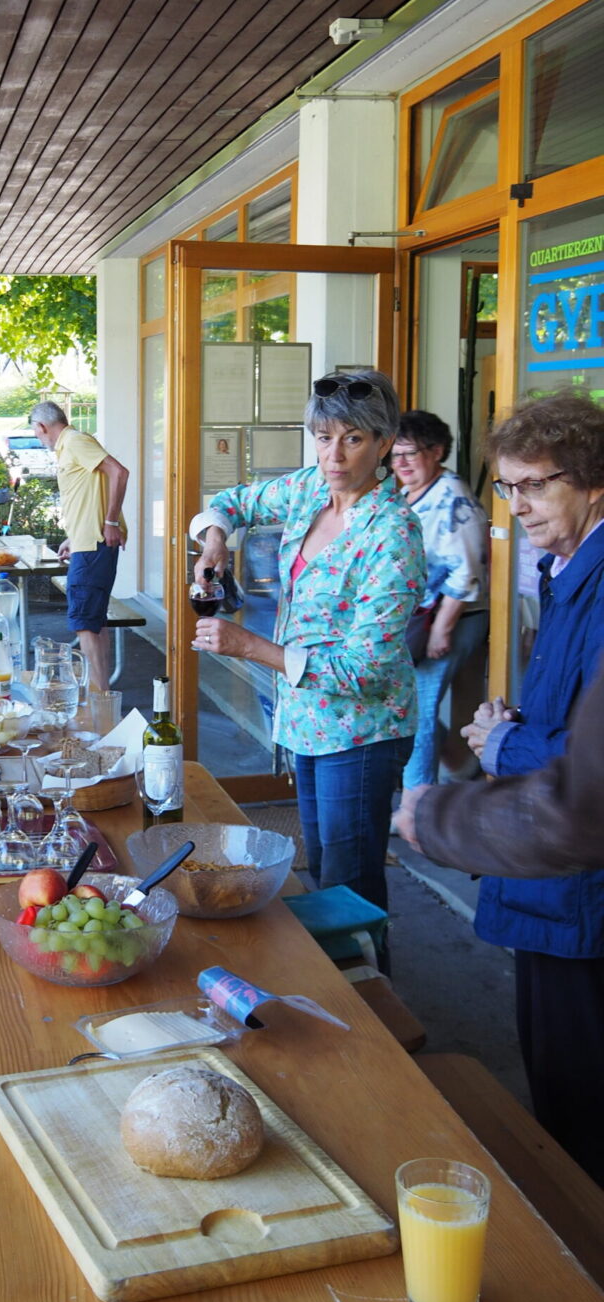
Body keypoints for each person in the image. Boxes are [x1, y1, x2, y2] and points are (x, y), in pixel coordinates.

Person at [433, 391, 604, 1182]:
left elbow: (588, 763)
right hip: (557, 885)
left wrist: (504, 742)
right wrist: (518, 722)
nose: (518, 505)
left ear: (594, 480)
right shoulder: (571, 565)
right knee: (557, 1086)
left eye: (537, 485)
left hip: (582, 891)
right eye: (508, 487)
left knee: (578, 1107)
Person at [190, 370, 424, 915]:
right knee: (322, 868)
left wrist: (249, 647)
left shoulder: (392, 532)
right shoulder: (309, 490)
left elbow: (364, 669)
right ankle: (343, 989)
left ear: (384, 443)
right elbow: (229, 501)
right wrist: (216, 543)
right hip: (306, 718)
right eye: (324, 438)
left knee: (350, 885)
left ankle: (368, 993)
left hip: (361, 728)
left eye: (354, 439)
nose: (334, 456)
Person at [395, 648, 604, 876]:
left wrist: (434, 817)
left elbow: (583, 803)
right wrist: (514, 718)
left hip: (568, 885)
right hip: (535, 878)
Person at [389, 410, 489, 829]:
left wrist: (442, 630)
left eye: (410, 453)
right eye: (394, 455)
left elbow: (465, 572)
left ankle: (416, 809)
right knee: (415, 705)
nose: (402, 463)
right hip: (421, 619)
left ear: (437, 451)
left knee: (419, 709)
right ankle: (462, 767)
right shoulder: (410, 494)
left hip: (452, 618)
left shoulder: (453, 497)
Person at [29, 402, 129, 692]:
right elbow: (89, 493)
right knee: (94, 620)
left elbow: (119, 473)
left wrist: (110, 522)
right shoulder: (71, 445)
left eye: (37, 434)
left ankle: (100, 697)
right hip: (86, 543)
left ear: (42, 427)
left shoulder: (74, 442)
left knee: (85, 622)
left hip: (93, 547)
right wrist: (74, 536)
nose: (39, 438)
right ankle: (102, 694)